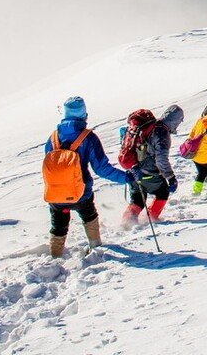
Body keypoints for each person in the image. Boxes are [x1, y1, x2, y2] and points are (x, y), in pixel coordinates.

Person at [42, 96, 129, 257]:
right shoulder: (88, 137)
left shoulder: (53, 137)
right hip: (81, 193)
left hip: (55, 194)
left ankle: (55, 257)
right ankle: (95, 248)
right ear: (84, 114)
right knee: (90, 218)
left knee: (58, 227)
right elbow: (102, 169)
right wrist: (127, 178)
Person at [121, 104, 184, 227]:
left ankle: (126, 222)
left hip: (133, 169)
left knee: (138, 199)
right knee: (162, 193)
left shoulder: (148, 126)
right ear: (175, 121)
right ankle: (151, 218)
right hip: (149, 173)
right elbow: (161, 159)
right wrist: (171, 178)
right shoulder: (162, 133)